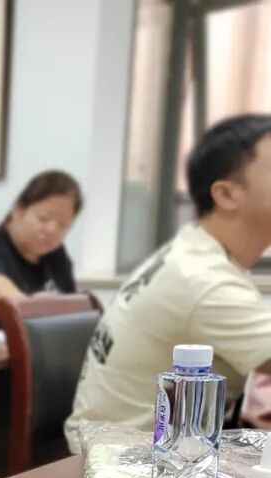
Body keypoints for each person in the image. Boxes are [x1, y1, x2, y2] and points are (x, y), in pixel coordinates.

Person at [68, 115, 271, 448]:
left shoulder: (196, 251)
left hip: (131, 442)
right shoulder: (203, 280)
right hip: (124, 460)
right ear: (226, 194)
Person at [0, 170, 82, 330]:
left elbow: (71, 307)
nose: (52, 230)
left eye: (63, 225)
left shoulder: (56, 256)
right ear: (18, 210)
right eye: (43, 218)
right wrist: (32, 307)